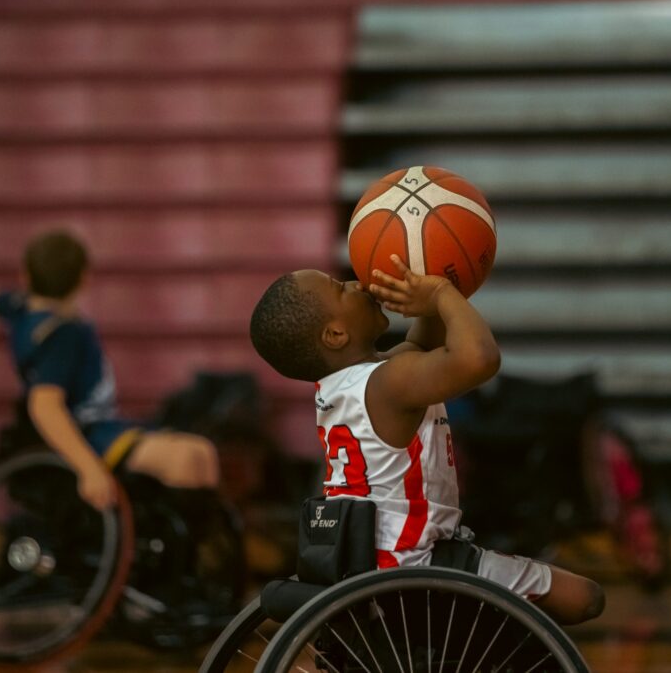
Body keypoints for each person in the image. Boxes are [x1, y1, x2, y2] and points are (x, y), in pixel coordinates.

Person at [249, 254, 605, 625]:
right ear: (336, 335)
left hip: (365, 562)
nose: (356, 284)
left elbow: (422, 345)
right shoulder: (390, 383)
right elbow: (480, 358)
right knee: (585, 598)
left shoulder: (349, 386)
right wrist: (440, 293)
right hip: (414, 564)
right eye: (342, 289)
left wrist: (424, 278)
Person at [0, 230, 220, 512]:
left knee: (202, 452)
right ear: (84, 279)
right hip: (88, 433)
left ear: (26, 276)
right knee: (186, 460)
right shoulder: (64, 335)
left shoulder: (19, 306)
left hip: (102, 427)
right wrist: (89, 468)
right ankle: (181, 549)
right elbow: (44, 406)